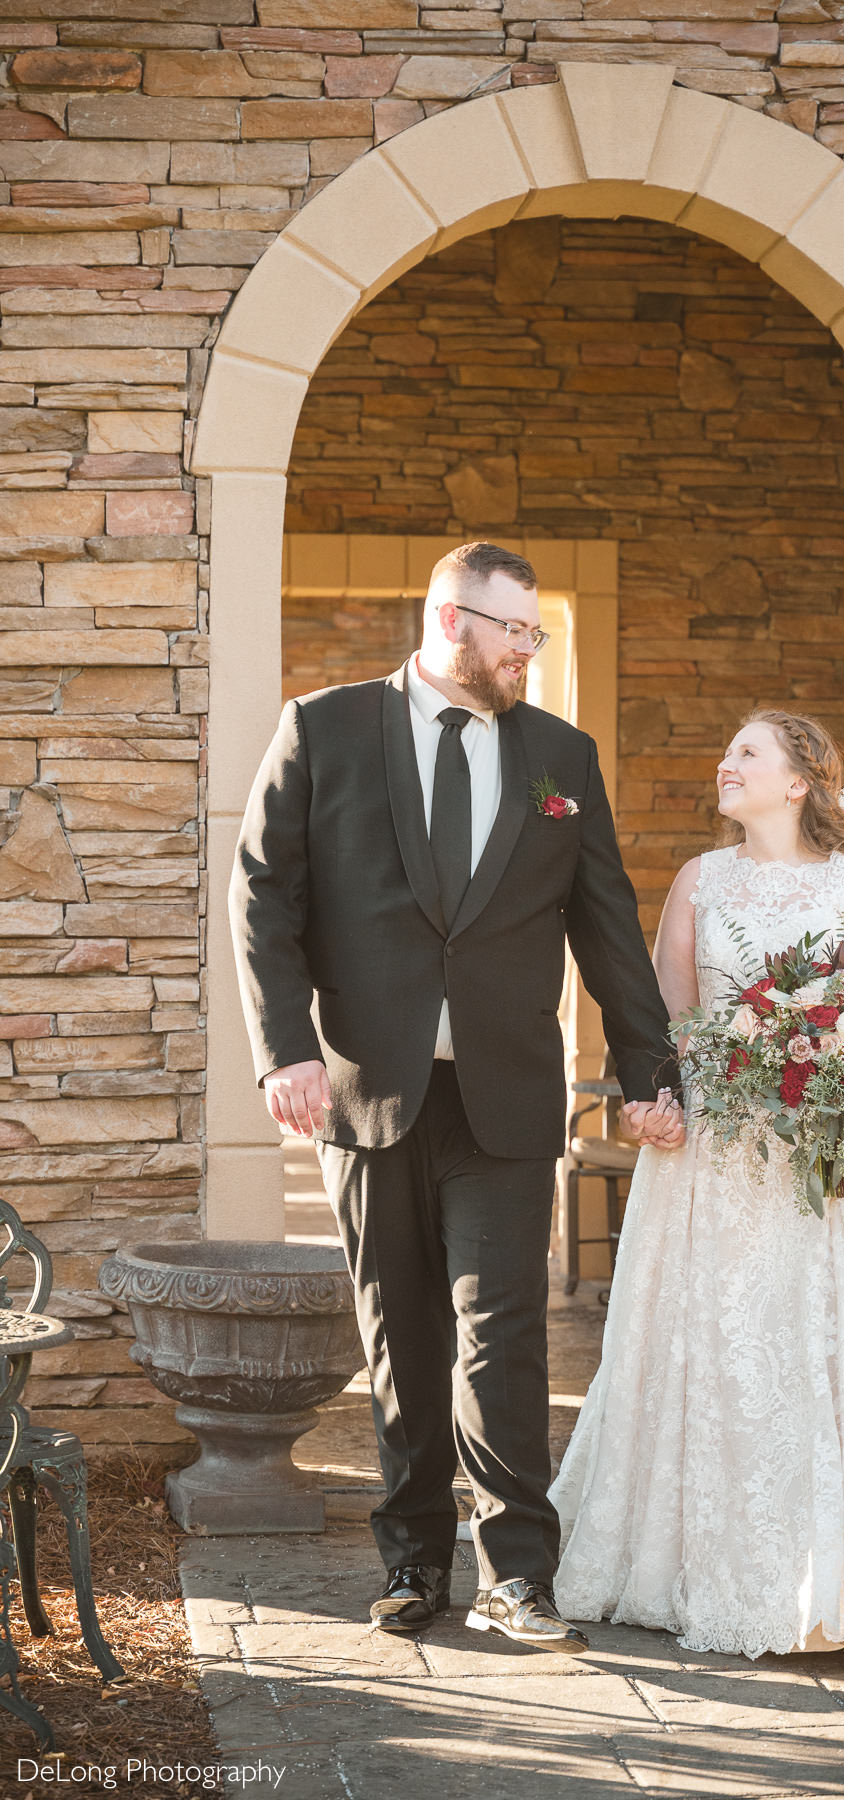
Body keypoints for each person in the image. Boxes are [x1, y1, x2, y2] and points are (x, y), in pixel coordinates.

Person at [229, 541, 684, 1655]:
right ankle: (412, 1565)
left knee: (503, 1333)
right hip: (366, 1088)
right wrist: (283, 1050)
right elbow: (262, 899)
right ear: (450, 618)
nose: (530, 649)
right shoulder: (324, 728)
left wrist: (650, 1076)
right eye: (515, 630)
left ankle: (517, 1575)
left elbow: (607, 929)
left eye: (537, 632)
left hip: (508, 1096)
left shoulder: (558, 756)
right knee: (401, 1332)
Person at [550, 710, 844, 1660]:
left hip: (835, 1171)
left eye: (748, 753)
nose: (726, 763)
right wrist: (656, 1101)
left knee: (837, 1353)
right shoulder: (699, 883)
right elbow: (663, 1015)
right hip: (718, 1158)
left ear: (800, 781)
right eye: (727, 751)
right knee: (728, 1348)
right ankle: (729, 1567)